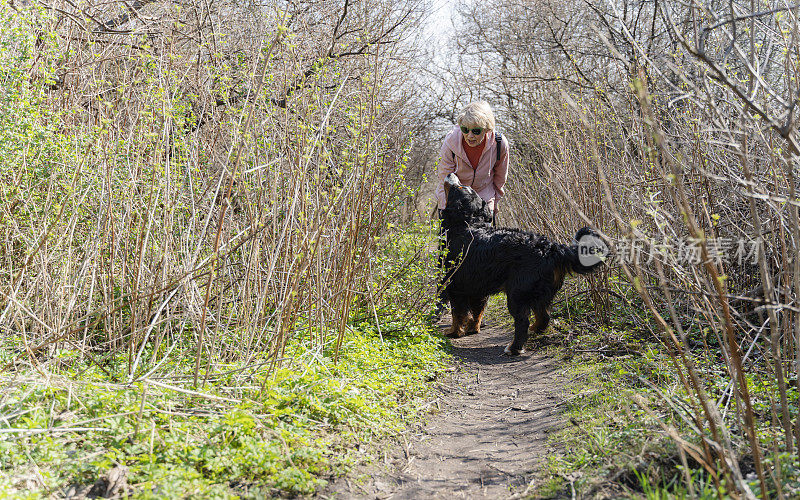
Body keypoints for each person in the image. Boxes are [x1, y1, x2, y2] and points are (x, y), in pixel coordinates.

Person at [433, 101, 509, 319]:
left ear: (487, 128)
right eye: (465, 129)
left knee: (481, 257)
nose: (470, 135)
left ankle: (477, 312)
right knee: (447, 254)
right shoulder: (451, 141)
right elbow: (444, 177)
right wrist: (446, 209)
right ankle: (442, 302)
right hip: (456, 201)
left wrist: (493, 204)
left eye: (476, 130)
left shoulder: (500, 144)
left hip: (483, 200)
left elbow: (499, 179)